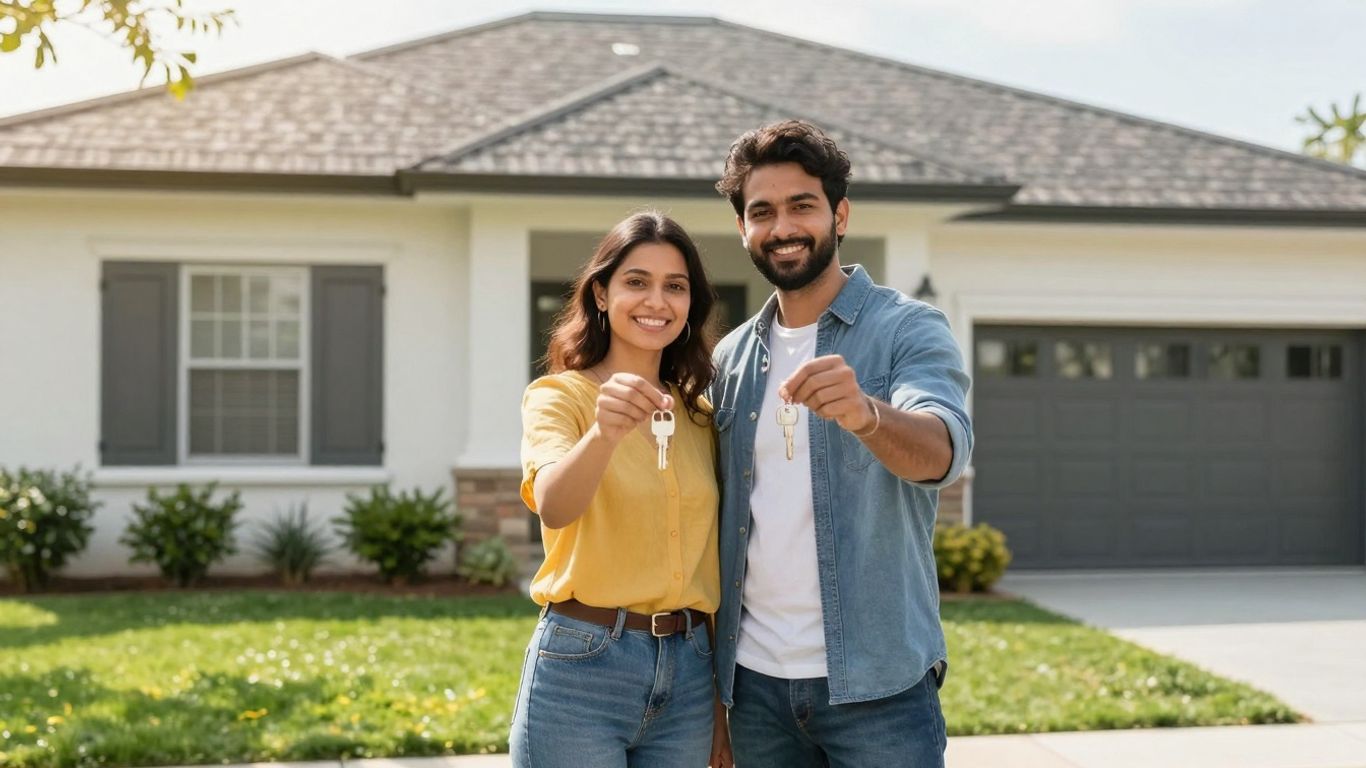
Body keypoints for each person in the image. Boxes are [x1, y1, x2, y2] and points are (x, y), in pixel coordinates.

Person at [708, 120, 974, 767]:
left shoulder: (908, 328)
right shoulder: (730, 357)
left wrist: (868, 416)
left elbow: (944, 452)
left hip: (880, 687)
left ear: (840, 213)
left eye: (802, 205)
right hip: (752, 686)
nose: (783, 227)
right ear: (744, 228)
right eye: (762, 212)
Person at [510, 211, 733, 768]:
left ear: (689, 307)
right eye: (636, 281)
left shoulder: (701, 416)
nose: (656, 301)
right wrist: (605, 433)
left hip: (688, 674)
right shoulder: (560, 397)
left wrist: (718, 708)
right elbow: (556, 506)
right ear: (602, 295)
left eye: (674, 287)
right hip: (583, 665)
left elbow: (711, 560)